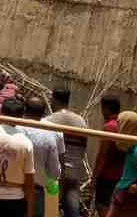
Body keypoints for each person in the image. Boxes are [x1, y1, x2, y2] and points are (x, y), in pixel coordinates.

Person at [43, 89, 88, 217]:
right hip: (73, 173)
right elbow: (83, 149)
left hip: (53, 176)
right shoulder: (81, 122)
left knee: (50, 210)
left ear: (54, 99)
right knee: (73, 211)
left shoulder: (48, 121)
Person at [20, 98, 62, 217]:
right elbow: (54, 173)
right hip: (35, 190)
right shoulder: (49, 135)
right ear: (44, 114)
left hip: (12, 189)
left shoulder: (14, 129)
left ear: (24, 110)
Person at [90, 97, 125, 216]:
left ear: (106, 109)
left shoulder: (109, 127)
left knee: (103, 207)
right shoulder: (124, 126)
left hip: (107, 177)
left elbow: (102, 155)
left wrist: (94, 178)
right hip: (122, 177)